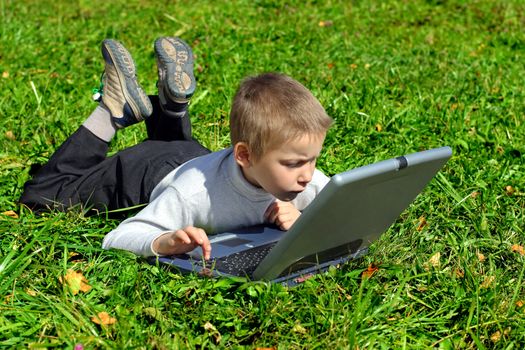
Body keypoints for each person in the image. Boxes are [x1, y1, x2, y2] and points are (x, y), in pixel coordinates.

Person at [20, 37, 333, 260]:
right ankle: (113, 109)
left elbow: (345, 205)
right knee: (43, 197)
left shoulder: (302, 178)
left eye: (312, 160)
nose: (308, 176)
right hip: (145, 174)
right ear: (245, 155)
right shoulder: (189, 195)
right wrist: (164, 240)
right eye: (294, 164)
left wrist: (304, 217)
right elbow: (117, 237)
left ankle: (173, 108)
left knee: (178, 150)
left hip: (193, 158)